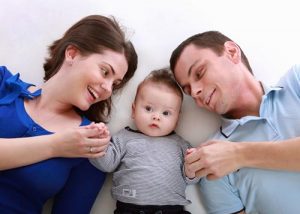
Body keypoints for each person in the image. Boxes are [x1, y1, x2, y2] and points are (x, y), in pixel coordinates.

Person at [0, 15, 138, 214]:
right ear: (72, 54)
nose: (108, 88)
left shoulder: (90, 142)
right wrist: (55, 145)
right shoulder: (3, 83)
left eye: (115, 84)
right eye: (105, 72)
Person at [169, 30, 300, 213]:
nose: (195, 91)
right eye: (188, 90)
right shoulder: (211, 161)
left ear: (232, 52)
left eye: (199, 73)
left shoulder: (296, 81)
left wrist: (238, 155)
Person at [90, 68, 198, 214]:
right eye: (148, 108)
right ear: (134, 111)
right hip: (129, 209)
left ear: (177, 120)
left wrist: (191, 171)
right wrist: (98, 144)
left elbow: (193, 180)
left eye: (166, 113)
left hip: (172, 210)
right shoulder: (123, 138)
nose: (156, 117)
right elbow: (107, 165)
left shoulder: (181, 145)